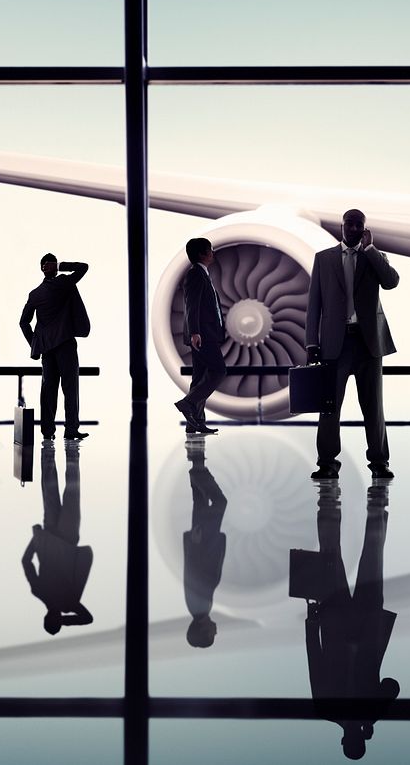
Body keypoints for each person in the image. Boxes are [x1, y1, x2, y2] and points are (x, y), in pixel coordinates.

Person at [294, 483, 400, 759]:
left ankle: (358, 496)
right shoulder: (329, 710)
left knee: (361, 552)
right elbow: (391, 685)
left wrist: (312, 623)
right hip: (349, 620)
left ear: (346, 741)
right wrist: (311, 624)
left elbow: (314, 662)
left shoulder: (329, 710)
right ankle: (336, 497)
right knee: (358, 552)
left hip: (346, 620)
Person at [305, 209, 400, 480]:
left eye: (359, 225)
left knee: (373, 406)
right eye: (350, 223)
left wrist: (370, 249)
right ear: (342, 226)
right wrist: (312, 342)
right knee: (329, 406)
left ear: (364, 229)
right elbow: (314, 305)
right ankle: (327, 462)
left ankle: (379, 462)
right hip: (336, 343)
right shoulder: (323, 259)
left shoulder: (374, 257)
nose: (354, 228)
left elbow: (391, 282)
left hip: (369, 342)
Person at [21, 442, 94, 635]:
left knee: (54, 491)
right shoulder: (66, 602)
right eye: (57, 621)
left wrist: (38, 538)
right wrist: (66, 620)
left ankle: (52, 451)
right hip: (66, 537)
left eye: (53, 620)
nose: (55, 617)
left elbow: (26, 562)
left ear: (47, 617)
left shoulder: (43, 593)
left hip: (53, 534)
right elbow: (87, 619)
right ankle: (67, 451)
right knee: (68, 492)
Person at [19, 254, 90, 442]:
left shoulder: (37, 293)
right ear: (44, 267)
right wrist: (60, 265)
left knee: (49, 391)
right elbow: (83, 267)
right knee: (69, 389)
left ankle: (48, 431)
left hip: (48, 349)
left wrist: (36, 342)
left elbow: (23, 323)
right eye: (47, 264)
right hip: (64, 345)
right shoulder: (64, 283)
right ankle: (71, 430)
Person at [174, 238, 226, 436]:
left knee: (198, 378)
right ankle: (187, 403)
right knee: (218, 370)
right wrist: (195, 332)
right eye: (210, 250)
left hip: (205, 333)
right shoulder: (195, 274)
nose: (213, 253)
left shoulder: (203, 274)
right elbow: (192, 305)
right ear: (202, 254)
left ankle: (195, 422)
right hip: (203, 335)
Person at [183, 443, 227, 648]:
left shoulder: (198, 607)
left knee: (219, 503)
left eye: (211, 635)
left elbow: (194, 572)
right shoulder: (200, 609)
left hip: (203, 543)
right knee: (200, 502)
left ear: (203, 631)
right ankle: (197, 459)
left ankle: (197, 471)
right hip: (203, 542)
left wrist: (195, 543)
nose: (216, 632)